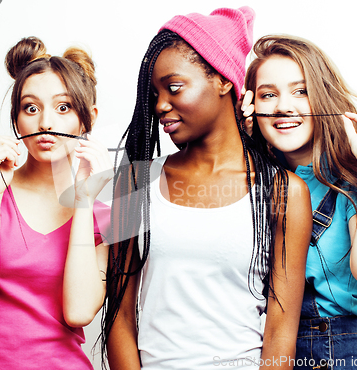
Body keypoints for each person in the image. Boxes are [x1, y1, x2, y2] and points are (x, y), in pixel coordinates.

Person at [103, 8, 312, 370]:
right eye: (154, 94)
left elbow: (280, 333)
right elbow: (118, 318)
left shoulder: (284, 192)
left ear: (223, 80)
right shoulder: (132, 183)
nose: (160, 105)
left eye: (174, 87)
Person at [0, 36, 112, 369]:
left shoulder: (104, 218)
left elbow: (79, 311)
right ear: (17, 120)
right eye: (31, 108)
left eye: (64, 107)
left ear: (87, 118)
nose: (46, 122)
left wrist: (84, 198)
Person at [241, 35, 357, 369]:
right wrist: (233, 139)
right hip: (262, 351)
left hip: (338, 357)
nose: (283, 106)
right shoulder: (250, 184)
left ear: (323, 97)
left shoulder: (350, 182)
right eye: (268, 94)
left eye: (300, 91)